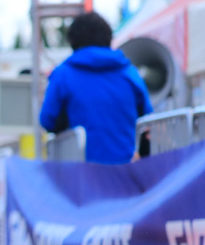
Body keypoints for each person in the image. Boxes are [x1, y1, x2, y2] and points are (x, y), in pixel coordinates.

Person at [39, 10, 153, 165]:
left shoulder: (62, 74)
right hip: (126, 172)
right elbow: (148, 119)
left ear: (73, 41)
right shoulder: (130, 72)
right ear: (108, 38)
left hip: (80, 175)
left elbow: (47, 120)